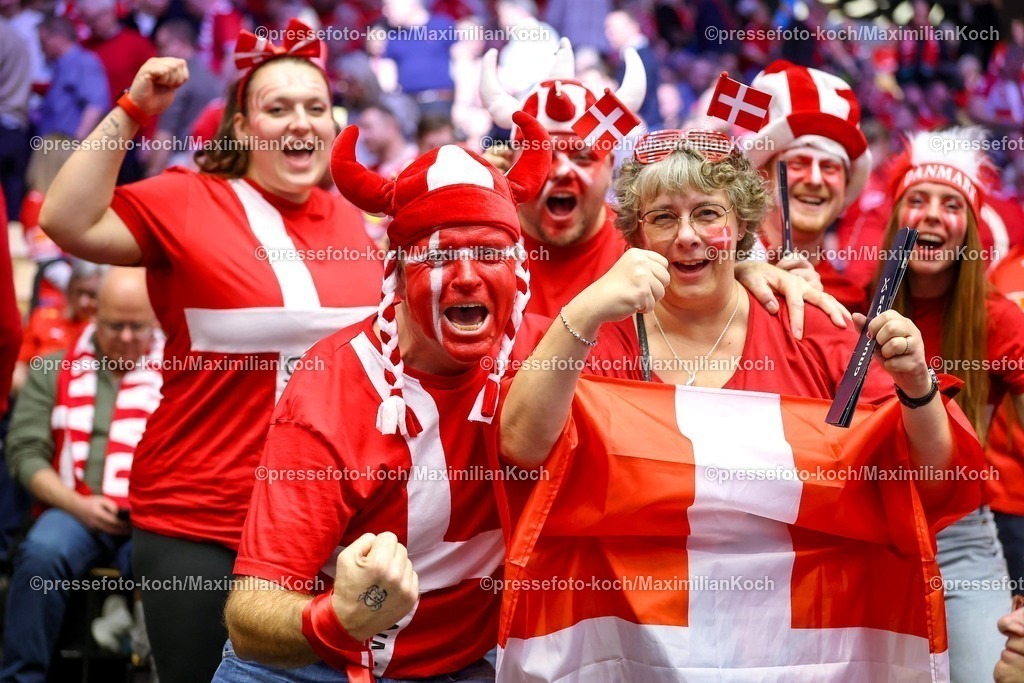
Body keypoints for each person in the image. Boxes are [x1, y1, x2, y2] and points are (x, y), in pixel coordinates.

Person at [497, 127, 984, 680]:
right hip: (630, 649)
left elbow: (933, 478)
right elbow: (521, 447)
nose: (687, 236)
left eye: (708, 213)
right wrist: (583, 313)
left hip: (793, 652)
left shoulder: (812, 329)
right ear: (633, 235)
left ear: (743, 226)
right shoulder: (592, 334)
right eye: (662, 217)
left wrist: (916, 385)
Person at [37, 22, 384, 683]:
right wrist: (134, 109)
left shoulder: (351, 223)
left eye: (315, 107)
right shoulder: (187, 200)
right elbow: (66, 218)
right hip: (201, 518)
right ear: (241, 127)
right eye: (276, 108)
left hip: (321, 523)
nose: (299, 123)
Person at [214, 110, 551, 681]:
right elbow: (250, 617)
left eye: (490, 254)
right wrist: (343, 617)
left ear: (518, 272)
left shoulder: (549, 356)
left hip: (466, 665)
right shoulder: (336, 386)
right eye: (439, 255)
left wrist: (743, 267)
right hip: (316, 667)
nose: (467, 276)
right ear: (396, 273)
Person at [480, 39, 847, 330]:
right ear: (513, 163)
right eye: (544, 155)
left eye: (582, 157)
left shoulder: (648, 236)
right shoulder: (483, 243)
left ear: (610, 166)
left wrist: (744, 271)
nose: (561, 171)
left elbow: (700, 277)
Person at [877, 126, 1024, 683]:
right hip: (866, 526)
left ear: (970, 230)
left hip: (960, 540)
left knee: (989, 676)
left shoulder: (998, 320)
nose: (933, 214)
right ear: (894, 222)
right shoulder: (844, 306)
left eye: (951, 204)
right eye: (917, 200)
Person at [1, 267, 161, 683]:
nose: (126, 337)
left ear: (157, 320)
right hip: (72, 507)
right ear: (93, 313)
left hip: (151, 516)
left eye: (137, 327)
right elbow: (24, 451)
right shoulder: (52, 368)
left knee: (171, 571)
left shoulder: (180, 373)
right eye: (114, 325)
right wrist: (78, 506)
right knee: (40, 555)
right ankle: (23, 677)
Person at [746, 60, 873, 311]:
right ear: (762, 177)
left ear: (846, 188)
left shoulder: (851, 303)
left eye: (829, 167)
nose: (815, 179)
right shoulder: (717, 271)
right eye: (797, 163)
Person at [12, 259, 102, 395]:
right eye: (79, 292)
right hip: (41, 395)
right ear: (70, 289)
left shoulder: (107, 329)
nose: (83, 302)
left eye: (91, 295)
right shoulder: (42, 318)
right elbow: (19, 368)